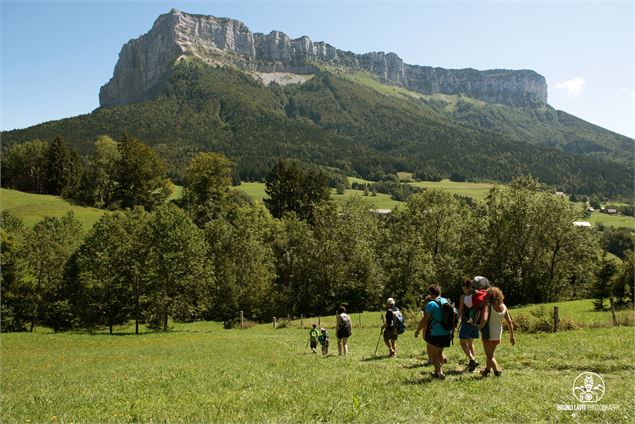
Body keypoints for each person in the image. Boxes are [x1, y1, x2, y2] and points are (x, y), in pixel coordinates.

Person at [415, 284, 452, 379]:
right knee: (440, 353)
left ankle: (439, 373)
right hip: (447, 332)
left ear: (430, 293)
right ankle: (438, 371)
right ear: (440, 292)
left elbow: (425, 320)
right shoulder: (446, 301)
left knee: (434, 355)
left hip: (436, 333)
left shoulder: (430, 304)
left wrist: (418, 330)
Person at [479, 287, 516, 377]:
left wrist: (479, 327)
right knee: (490, 354)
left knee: (489, 355)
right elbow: (510, 322)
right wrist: (512, 336)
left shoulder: (488, 306)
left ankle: (497, 371)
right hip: (498, 334)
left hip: (488, 334)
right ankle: (487, 370)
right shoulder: (504, 307)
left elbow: (484, 319)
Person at [458, 280, 479, 372]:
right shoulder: (477, 295)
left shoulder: (463, 297)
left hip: (467, 322)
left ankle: (472, 360)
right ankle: (472, 362)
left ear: (466, 287)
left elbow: (461, 309)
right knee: (470, 343)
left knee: (463, 342)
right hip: (476, 321)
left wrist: (456, 321)